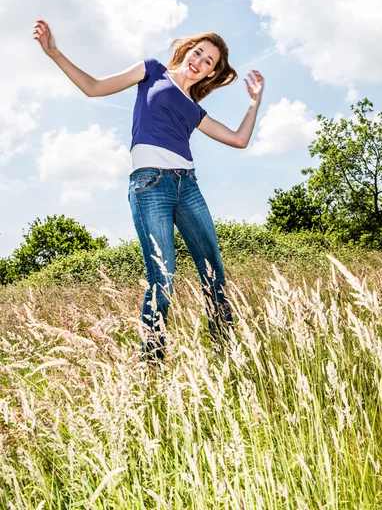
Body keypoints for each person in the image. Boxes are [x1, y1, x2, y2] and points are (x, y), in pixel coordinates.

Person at [33, 20, 265, 361]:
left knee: (214, 270)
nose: (199, 61)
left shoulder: (196, 111)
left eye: (209, 62)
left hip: (188, 186)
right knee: (163, 276)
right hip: (149, 185)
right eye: (198, 52)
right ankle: (152, 365)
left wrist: (254, 102)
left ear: (210, 74)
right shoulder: (152, 71)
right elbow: (94, 87)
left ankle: (225, 353)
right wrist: (54, 52)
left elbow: (239, 139)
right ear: (187, 50)